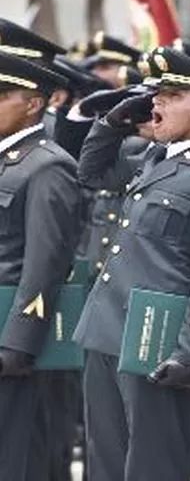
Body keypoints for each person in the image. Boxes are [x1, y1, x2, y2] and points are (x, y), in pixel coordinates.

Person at [72, 46, 190, 481]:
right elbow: (92, 173)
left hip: (157, 338)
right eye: (158, 93)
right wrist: (113, 121)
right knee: (105, 461)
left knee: (154, 463)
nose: (157, 102)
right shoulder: (153, 159)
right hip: (108, 327)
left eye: (173, 95)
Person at [0, 51, 82, 481]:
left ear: (34, 104)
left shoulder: (47, 167)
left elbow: (45, 263)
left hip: (8, 330)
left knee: (10, 451)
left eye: (2, 95)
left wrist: (19, 343)